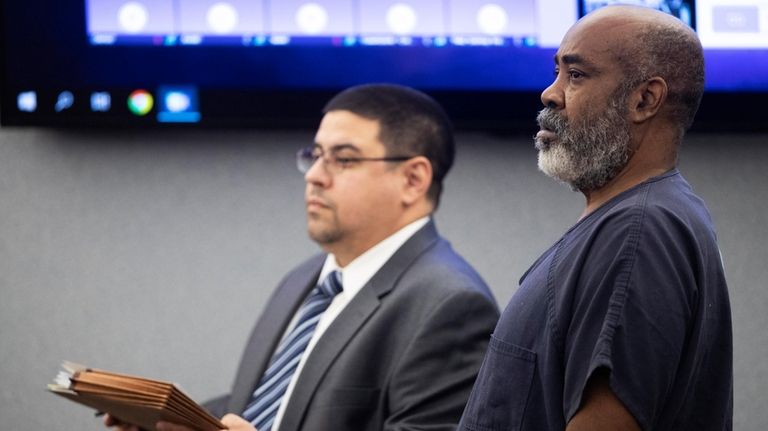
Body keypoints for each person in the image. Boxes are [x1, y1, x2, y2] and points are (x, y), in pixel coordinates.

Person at [105, 84, 499, 431]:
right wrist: (171, 422)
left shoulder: (452, 306)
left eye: (343, 159)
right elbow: (275, 409)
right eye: (315, 154)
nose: (314, 176)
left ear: (413, 180)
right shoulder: (308, 278)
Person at [458, 5, 732, 431]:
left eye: (576, 75)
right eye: (557, 73)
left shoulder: (639, 233)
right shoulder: (637, 221)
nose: (550, 93)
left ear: (644, 100)